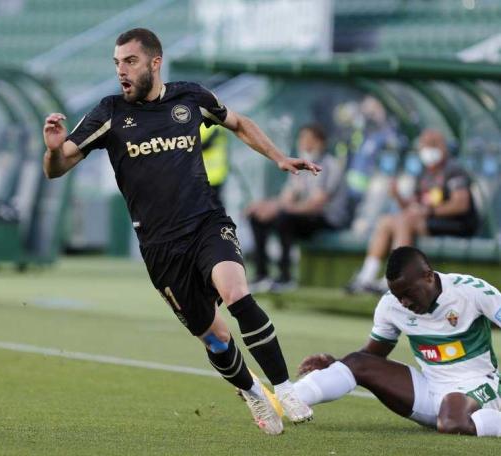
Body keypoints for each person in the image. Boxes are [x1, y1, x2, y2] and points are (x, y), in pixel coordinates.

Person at [42, 28, 320, 435]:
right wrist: (51, 149)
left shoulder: (190, 98)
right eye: (117, 63)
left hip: (206, 223)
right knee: (216, 338)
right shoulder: (109, 112)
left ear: (155, 62)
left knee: (236, 293)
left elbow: (239, 123)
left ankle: (284, 388)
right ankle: (253, 393)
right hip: (160, 248)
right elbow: (58, 168)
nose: (122, 70)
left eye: (130, 61)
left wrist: (278, 157)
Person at [293, 246, 501, 437]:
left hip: (477, 384)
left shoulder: (470, 291)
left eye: (409, 293)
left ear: (428, 276)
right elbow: (372, 355)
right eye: (398, 296)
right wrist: (335, 363)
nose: (404, 302)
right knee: (357, 362)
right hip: (430, 390)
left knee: (452, 423)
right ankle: (286, 401)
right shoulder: (391, 305)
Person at [347, 129, 477, 294]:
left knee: (405, 220)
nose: (427, 150)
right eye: (424, 145)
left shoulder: (453, 170)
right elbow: (413, 207)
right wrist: (398, 197)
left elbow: (461, 204)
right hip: (428, 221)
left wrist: (428, 211)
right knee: (387, 221)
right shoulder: (424, 173)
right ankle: (366, 277)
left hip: (458, 224)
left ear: (443, 147)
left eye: (432, 145)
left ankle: (393, 278)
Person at [245, 124, 349, 292]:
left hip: (327, 219)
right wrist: (265, 206)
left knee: (283, 218)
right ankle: (261, 275)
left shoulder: (331, 165)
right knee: (257, 217)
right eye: (302, 139)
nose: (304, 143)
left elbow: (315, 205)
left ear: (321, 142)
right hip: (302, 217)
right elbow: (286, 198)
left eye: (309, 139)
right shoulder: (300, 164)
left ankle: (286, 278)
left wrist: (280, 209)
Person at [200, 123, 228, 206]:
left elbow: (204, 145)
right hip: (215, 173)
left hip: (209, 174)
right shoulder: (218, 121)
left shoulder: (193, 122)